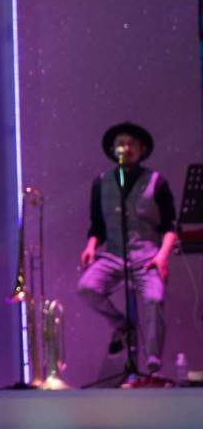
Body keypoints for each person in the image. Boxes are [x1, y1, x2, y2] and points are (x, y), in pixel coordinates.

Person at [76, 122, 178, 375]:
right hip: (113, 254)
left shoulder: (156, 181)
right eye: (121, 143)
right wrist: (91, 247)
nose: (126, 148)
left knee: (154, 298)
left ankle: (153, 360)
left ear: (141, 149)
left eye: (132, 144)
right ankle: (123, 326)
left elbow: (169, 226)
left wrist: (162, 256)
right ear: (114, 150)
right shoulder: (101, 183)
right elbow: (97, 225)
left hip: (147, 255)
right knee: (87, 288)